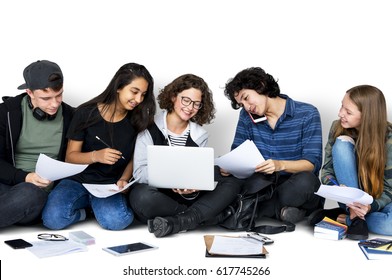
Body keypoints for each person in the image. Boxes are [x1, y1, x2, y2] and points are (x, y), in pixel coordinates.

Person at [42, 62, 156, 230]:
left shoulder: (138, 120)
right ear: (119, 86)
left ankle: (96, 207)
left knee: (118, 221)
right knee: (52, 220)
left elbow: (134, 157)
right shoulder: (86, 112)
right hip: (77, 181)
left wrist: (124, 179)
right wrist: (96, 156)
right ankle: (84, 213)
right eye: (134, 91)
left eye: (143, 94)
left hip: (108, 186)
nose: (138, 100)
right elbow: (70, 156)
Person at [129, 74, 243, 238]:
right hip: (159, 196)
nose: (190, 107)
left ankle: (179, 221)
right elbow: (139, 173)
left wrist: (195, 186)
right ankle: (209, 217)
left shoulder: (200, 134)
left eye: (197, 104)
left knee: (232, 181)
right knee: (141, 197)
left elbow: (197, 173)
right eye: (186, 100)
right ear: (174, 96)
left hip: (186, 197)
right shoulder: (148, 127)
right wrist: (172, 178)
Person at [223, 67, 323, 225]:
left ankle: (247, 210)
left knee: (307, 182)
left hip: (294, 185)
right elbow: (237, 153)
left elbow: (311, 164)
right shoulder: (246, 116)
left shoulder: (307, 113)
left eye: (246, 98)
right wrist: (229, 166)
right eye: (242, 104)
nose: (247, 107)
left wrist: (279, 165)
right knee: (226, 181)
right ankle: (283, 212)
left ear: (261, 85)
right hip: (262, 186)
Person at [308, 85, 392, 239]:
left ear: (367, 116)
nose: (340, 113)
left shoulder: (389, 139)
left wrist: (369, 206)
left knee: (389, 225)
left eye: (348, 112)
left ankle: (347, 218)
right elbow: (327, 170)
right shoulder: (337, 127)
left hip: (379, 201)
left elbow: (390, 188)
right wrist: (337, 188)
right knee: (341, 143)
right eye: (342, 106)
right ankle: (354, 215)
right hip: (350, 198)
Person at [0, 60, 74, 228]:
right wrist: (25, 177)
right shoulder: (6, 113)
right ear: (29, 92)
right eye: (46, 98)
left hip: (36, 195)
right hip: (8, 184)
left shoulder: (71, 116)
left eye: (59, 95)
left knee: (29, 193)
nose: (55, 103)